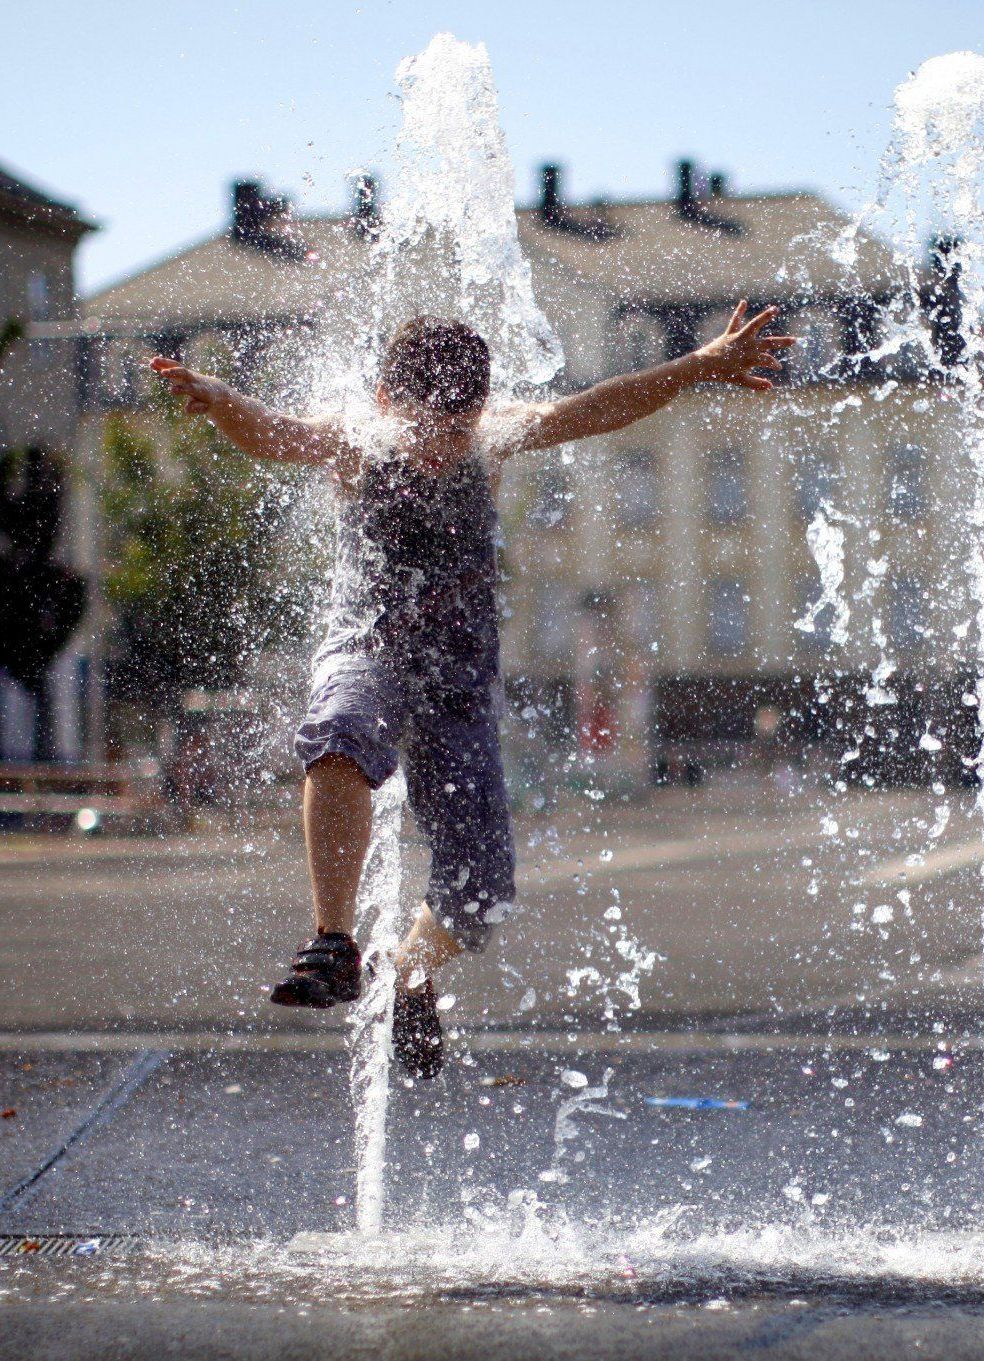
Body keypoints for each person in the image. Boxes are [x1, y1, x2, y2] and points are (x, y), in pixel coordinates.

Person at [148, 303, 794, 1077]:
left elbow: (593, 408)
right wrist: (222, 403)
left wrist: (695, 366)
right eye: (428, 429)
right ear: (388, 401)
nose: (440, 449)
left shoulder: (488, 441)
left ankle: (408, 971)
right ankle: (333, 941)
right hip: (370, 647)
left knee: (481, 890)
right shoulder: (358, 440)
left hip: (459, 683)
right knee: (339, 731)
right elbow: (277, 433)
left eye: (458, 432)